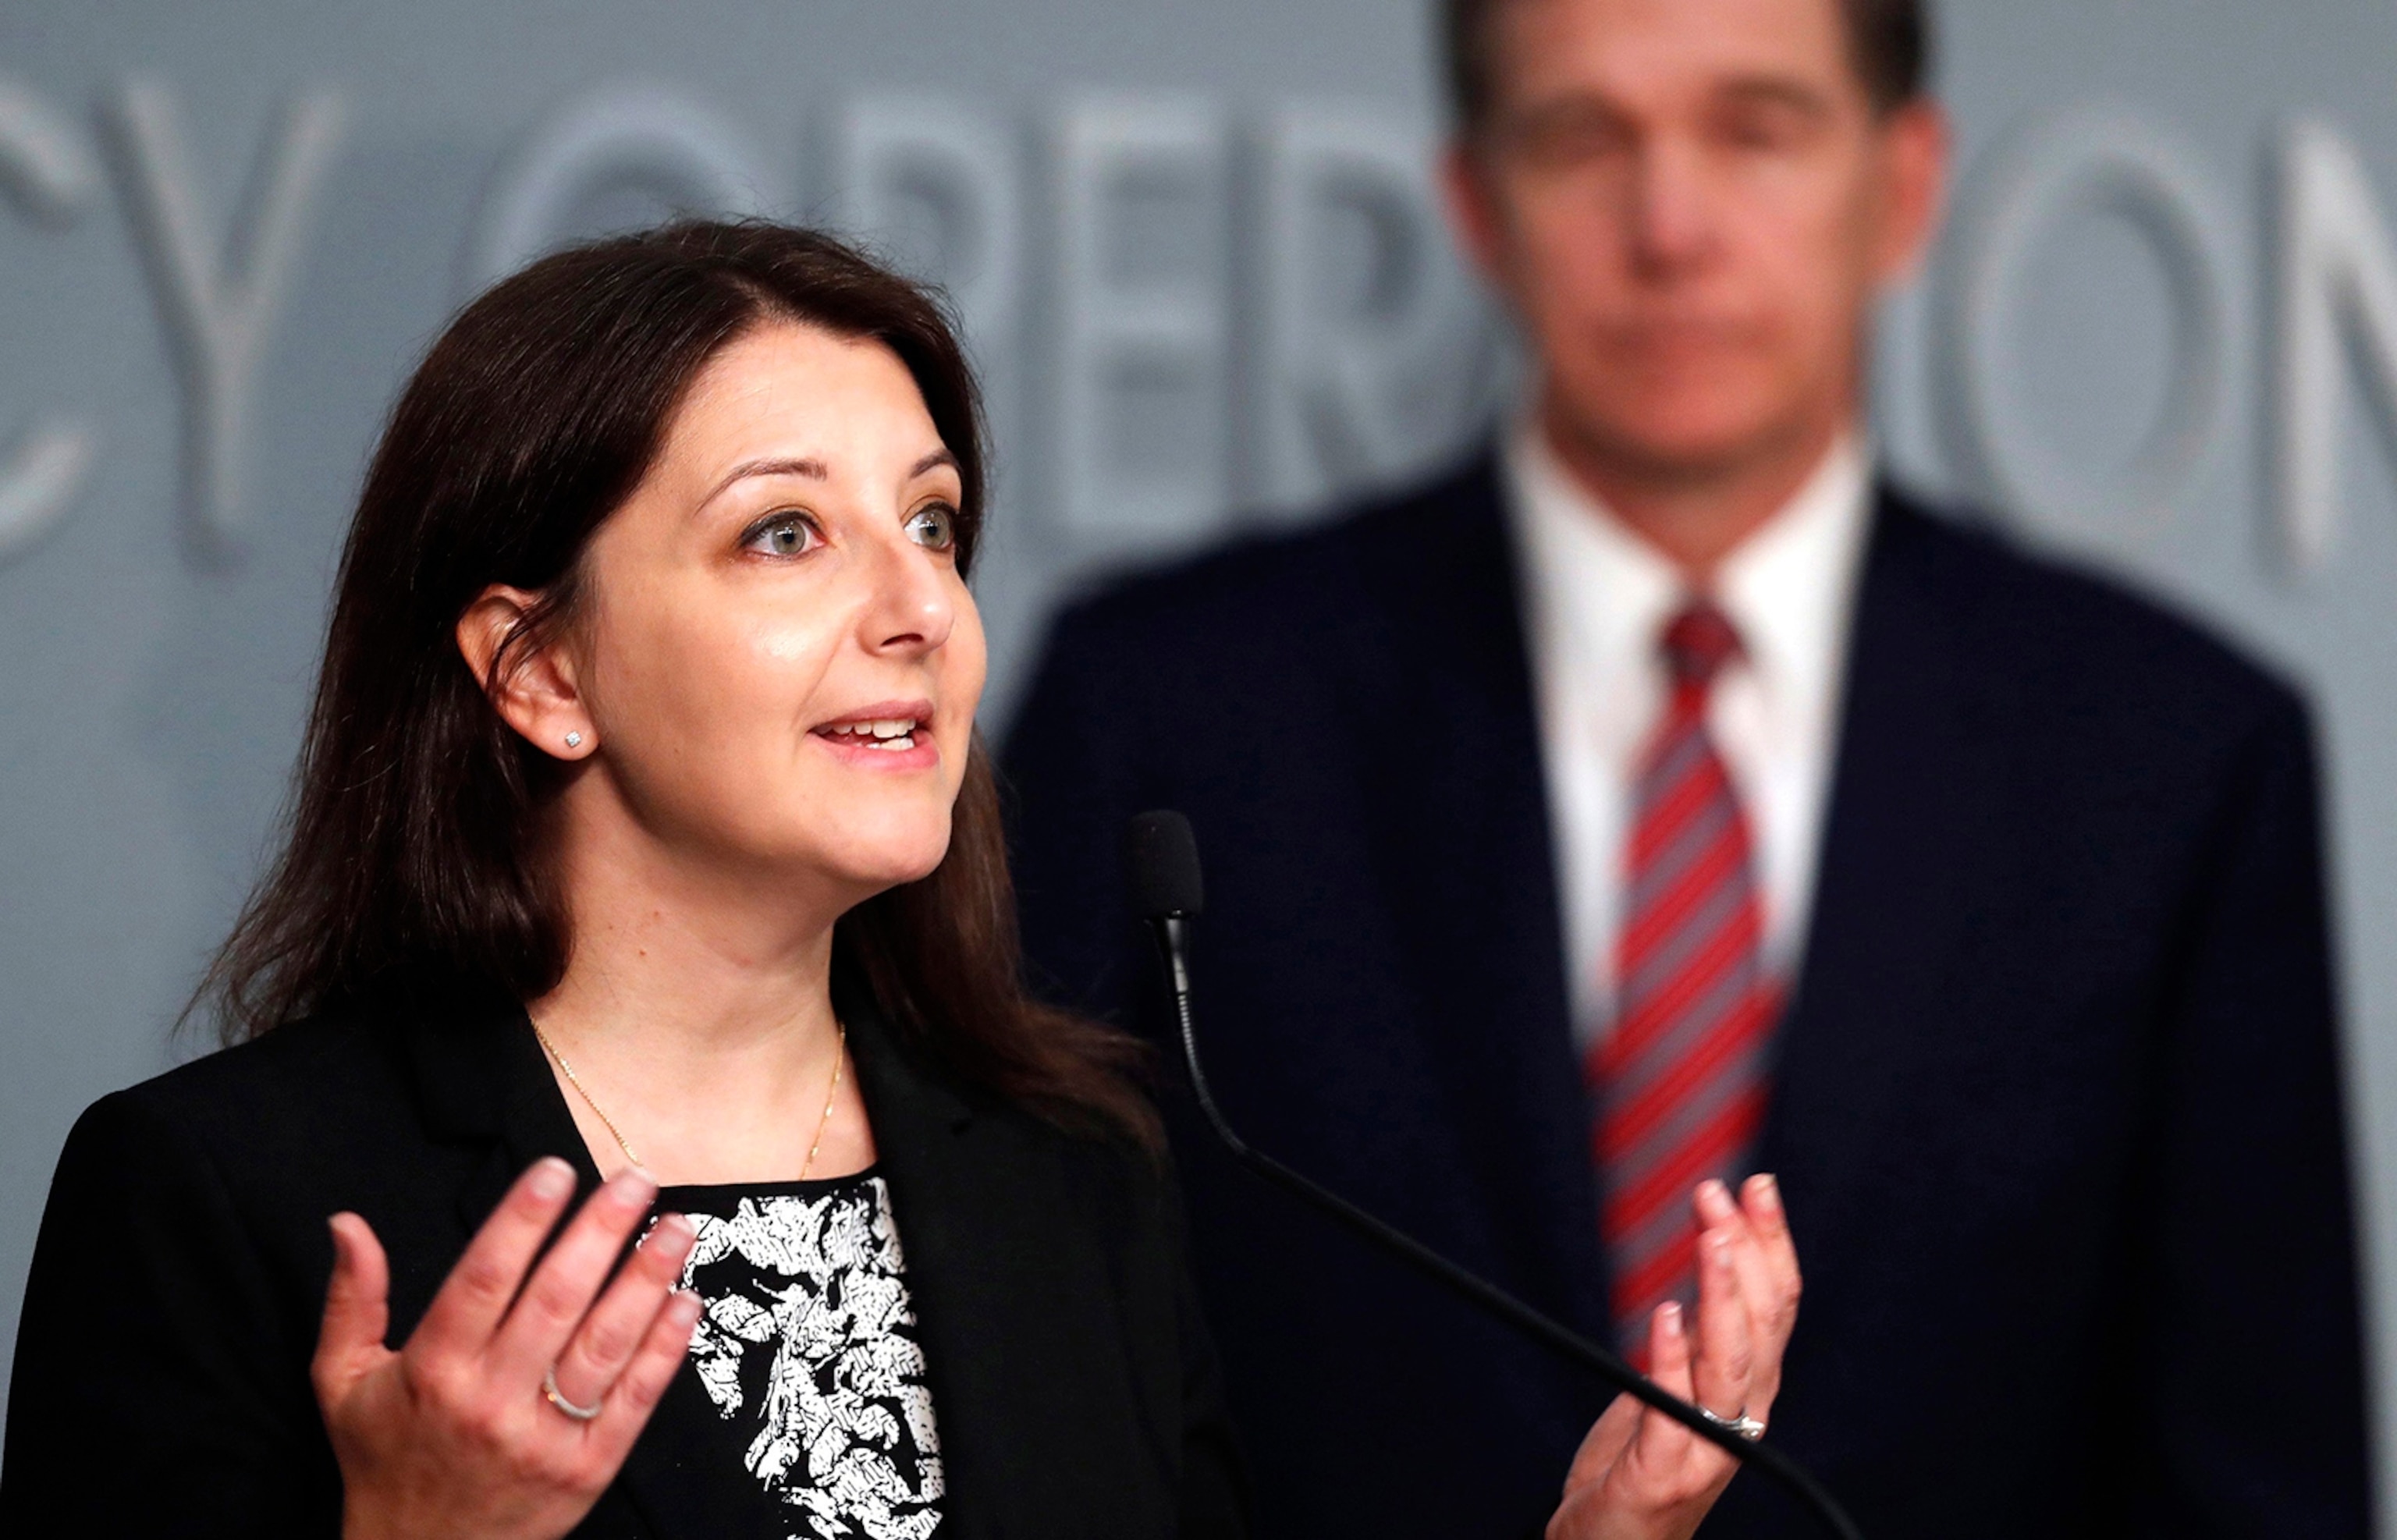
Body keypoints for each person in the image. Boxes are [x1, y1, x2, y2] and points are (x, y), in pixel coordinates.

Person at [0, 221, 1799, 1540]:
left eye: (932, 524)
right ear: (538, 671)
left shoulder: (1073, 1171)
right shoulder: (229, 1197)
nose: (917, 606)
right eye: (787, 532)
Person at [1003, 0, 2371, 1536]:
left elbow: (2265, 1487)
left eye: (1756, 130)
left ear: (1904, 186)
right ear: (1475, 205)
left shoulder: (2176, 757)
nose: (1670, 227)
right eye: (1584, 138)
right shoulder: (1169, 712)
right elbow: (1032, 1402)